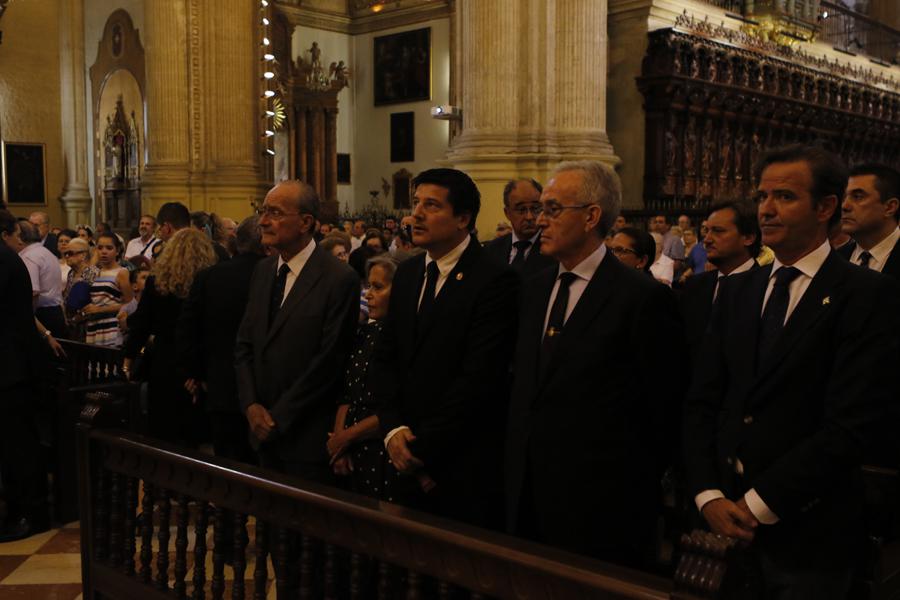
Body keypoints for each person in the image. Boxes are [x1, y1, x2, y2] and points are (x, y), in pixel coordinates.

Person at [683, 145, 900, 599]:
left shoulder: (866, 294)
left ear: (825, 208)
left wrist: (758, 504)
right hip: (718, 518)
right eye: (762, 196)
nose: (765, 209)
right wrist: (708, 493)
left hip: (809, 529)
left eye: (784, 196)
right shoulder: (739, 289)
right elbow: (704, 399)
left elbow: (851, 423)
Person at [505, 160, 682, 568]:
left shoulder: (640, 298)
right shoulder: (532, 288)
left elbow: (662, 409)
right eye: (535, 210)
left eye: (551, 209)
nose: (538, 220)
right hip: (528, 491)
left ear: (591, 216)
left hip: (601, 503)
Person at [370, 168, 519, 528]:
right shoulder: (406, 274)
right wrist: (392, 431)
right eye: (415, 203)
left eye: (431, 205)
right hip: (402, 453)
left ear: (463, 219)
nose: (415, 214)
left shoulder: (494, 279)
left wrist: (422, 451)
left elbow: (478, 379)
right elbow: (386, 358)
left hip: (459, 464)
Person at [235, 181, 360, 483]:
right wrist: (251, 406)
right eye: (263, 211)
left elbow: (329, 361)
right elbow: (244, 345)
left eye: (275, 213)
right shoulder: (264, 271)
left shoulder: (338, 277)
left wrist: (278, 417)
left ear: (306, 222)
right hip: (259, 430)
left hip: (305, 436)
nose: (263, 221)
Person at [177, 216, 265, 464]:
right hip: (266, 391)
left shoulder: (209, 276)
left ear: (236, 242)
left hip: (219, 385)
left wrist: (195, 374)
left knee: (227, 463)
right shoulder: (272, 275)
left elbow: (188, 329)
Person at [124, 228, 216, 443]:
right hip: (195, 359)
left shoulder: (157, 282)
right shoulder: (208, 281)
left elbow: (141, 325)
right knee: (193, 428)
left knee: (164, 427)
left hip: (164, 359)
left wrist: (128, 358)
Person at [328, 255, 403, 499]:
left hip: (384, 449)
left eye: (378, 287)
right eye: (368, 286)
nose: (368, 294)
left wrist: (344, 439)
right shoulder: (365, 332)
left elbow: (395, 405)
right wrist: (339, 444)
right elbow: (347, 392)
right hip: (352, 449)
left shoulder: (404, 339)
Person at [0, 210, 51, 542]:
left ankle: (30, 514)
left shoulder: (4, 260)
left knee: (18, 446)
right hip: (9, 364)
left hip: (10, 367)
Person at [680, 200, 760, 361]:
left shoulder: (766, 287)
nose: (707, 240)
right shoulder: (694, 286)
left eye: (718, 231)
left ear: (748, 237)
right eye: (707, 231)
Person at [483, 178, 557, 276]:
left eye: (535, 208)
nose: (529, 217)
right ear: (507, 213)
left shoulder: (554, 250)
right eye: (521, 210)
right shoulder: (492, 250)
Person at [841, 163, 900, 278]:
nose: (844, 206)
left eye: (858, 197)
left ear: (889, 207)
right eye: (844, 197)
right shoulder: (835, 259)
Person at [81, 232, 132, 346]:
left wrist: (101, 309)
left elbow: (130, 304)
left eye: (109, 248)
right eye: (100, 248)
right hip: (93, 325)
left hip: (112, 326)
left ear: (117, 251)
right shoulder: (94, 272)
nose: (104, 251)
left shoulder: (122, 272)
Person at [18, 220, 67, 339]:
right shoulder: (46, 252)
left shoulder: (29, 256)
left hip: (42, 315)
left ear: (20, 237)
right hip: (54, 312)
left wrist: (28, 317)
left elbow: (33, 292)